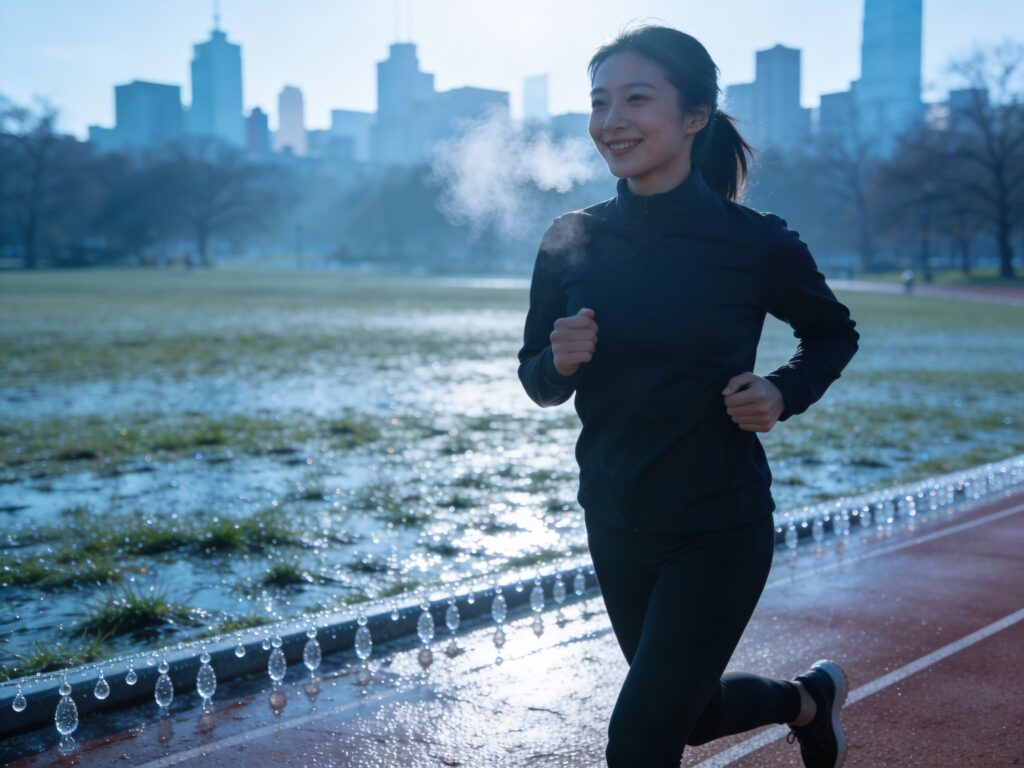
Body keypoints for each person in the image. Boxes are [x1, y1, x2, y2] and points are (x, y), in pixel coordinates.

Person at [516, 24, 860, 768]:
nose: (612, 121)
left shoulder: (754, 241)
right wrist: (558, 361)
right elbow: (535, 378)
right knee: (691, 713)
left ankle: (804, 701)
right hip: (614, 519)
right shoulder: (570, 238)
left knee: (639, 739)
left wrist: (781, 391)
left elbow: (833, 334)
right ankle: (808, 701)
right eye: (600, 102)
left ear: (695, 115)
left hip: (717, 524)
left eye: (637, 99)